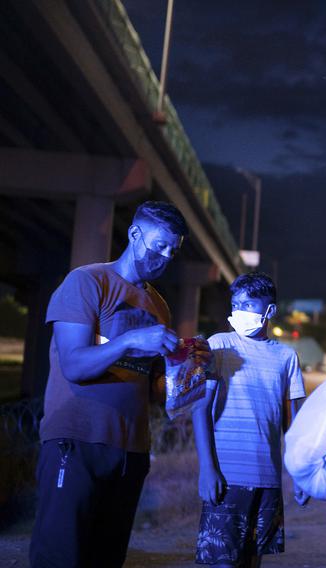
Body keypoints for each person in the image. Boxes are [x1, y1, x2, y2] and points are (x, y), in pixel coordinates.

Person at [30, 201, 195, 567]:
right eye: (158, 245)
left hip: (131, 451)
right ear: (135, 235)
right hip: (76, 441)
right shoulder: (88, 282)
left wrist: (186, 372)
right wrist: (131, 340)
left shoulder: (158, 305)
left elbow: (151, 389)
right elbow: (74, 365)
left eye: (173, 249)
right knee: (61, 556)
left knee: (106, 558)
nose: (166, 256)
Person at [192, 271, 306, 567]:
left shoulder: (286, 358)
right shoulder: (218, 346)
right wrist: (207, 468)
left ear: (269, 311)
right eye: (235, 304)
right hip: (227, 478)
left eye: (248, 305)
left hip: (267, 479)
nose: (239, 312)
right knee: (222, 562)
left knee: (252, 562)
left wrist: (300, 474)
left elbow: (291, 424)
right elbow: (200, 409)